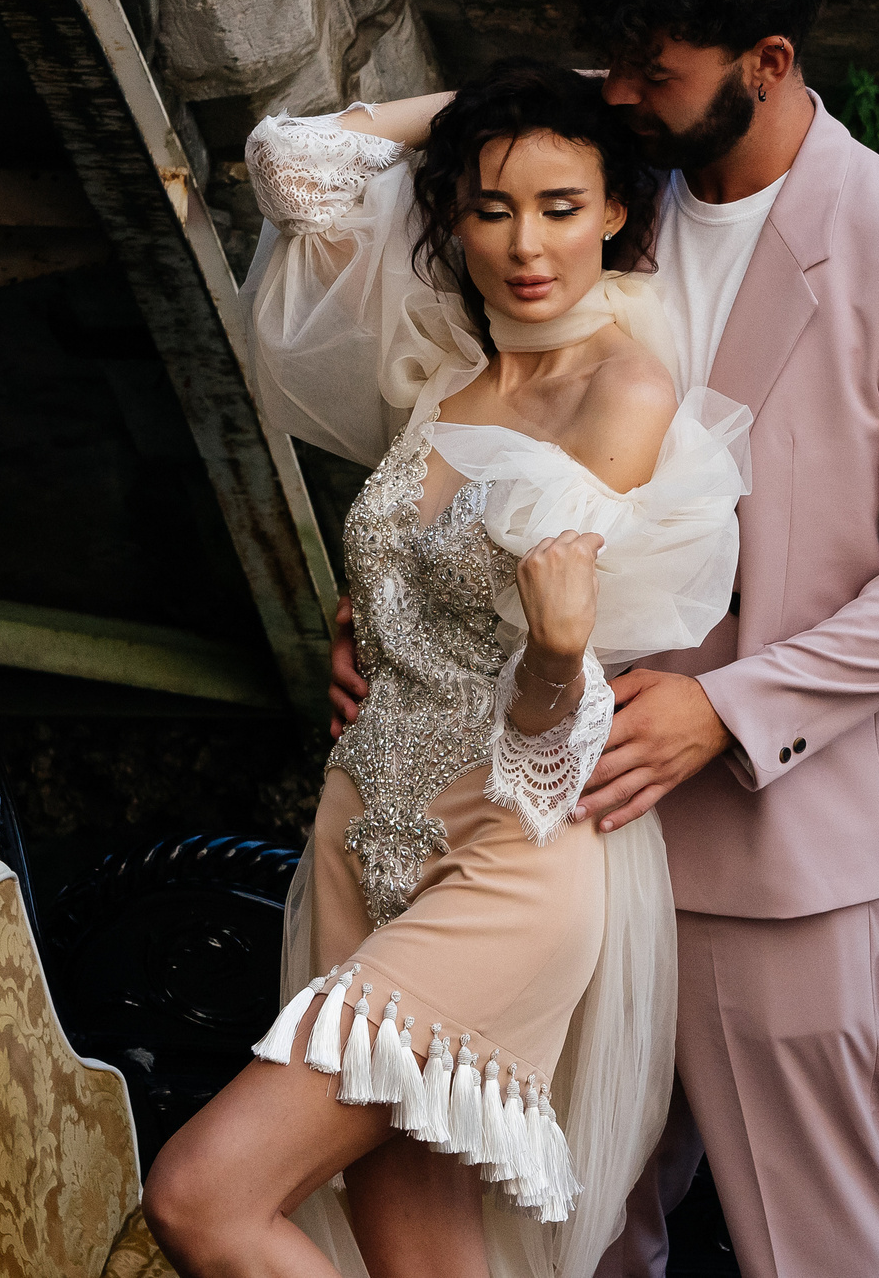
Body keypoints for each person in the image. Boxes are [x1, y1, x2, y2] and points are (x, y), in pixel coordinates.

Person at [328, 0, 879, 1278]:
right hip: (541, 829)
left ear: (766, 60)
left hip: (781, 847)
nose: (619, 92)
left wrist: (731, 708)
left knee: (825, 1246)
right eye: (611, 62)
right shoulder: (578, 183)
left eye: (653, 67)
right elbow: (482, 432)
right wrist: (399, 616)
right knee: (565, 1241)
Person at [144, 62, 752, 1278]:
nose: (526, 244)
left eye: (562, 205)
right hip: (363, 834)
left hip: (505, 853)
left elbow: (553, 689)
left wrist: (559, 657)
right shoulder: (443, 375)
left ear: (619, 212)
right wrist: (508, 93)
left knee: (203, 1197)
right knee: (414, 1242)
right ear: (453, 216)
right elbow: (291, 162)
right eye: (491, 206)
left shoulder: (622, 390)